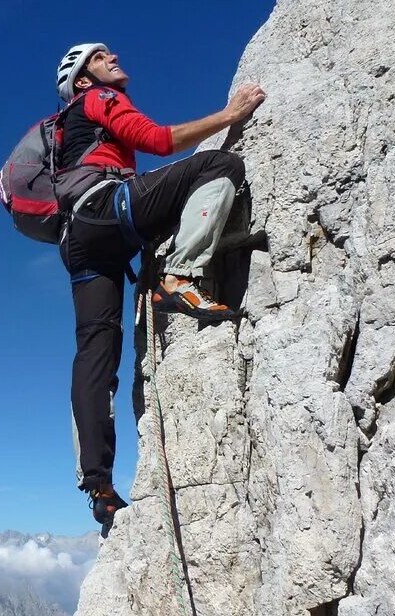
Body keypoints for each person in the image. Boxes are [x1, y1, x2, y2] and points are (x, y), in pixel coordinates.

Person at [53, 42, 266, 534]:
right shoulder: (98, 100)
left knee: (95, 358)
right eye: (99, 56)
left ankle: (98, 487)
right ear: (83, 80)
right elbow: (157, 140)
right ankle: (182, 275)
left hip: (79, 241)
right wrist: (230, 115)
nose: (112, 56)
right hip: (109, 210)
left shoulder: (64, 132)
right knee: (220, 168)